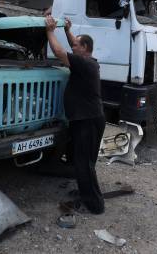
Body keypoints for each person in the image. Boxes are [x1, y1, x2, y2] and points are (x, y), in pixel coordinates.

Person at [44, 15, 105, 214]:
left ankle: (95, 205)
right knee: (81, 161)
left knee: (84, 163)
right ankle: (88, 194)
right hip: (85, 119)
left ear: (85, 48)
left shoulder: (84, 63)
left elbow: (60, 51)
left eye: (77, 45)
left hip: (88, 120)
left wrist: (50, 31)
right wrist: (67, 30)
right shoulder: (88, 61)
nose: (73, 47)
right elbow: (71, 44)